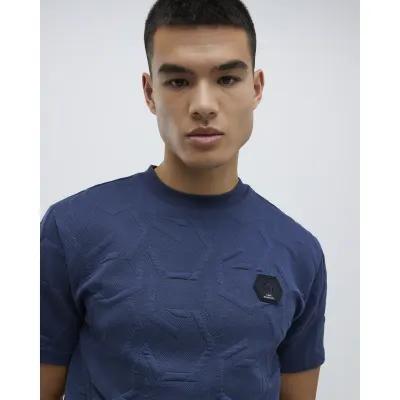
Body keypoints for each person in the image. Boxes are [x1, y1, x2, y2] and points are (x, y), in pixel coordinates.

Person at [40, 0, 328, 399]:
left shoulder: (299, 251)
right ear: (150, 92)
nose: (204, 105)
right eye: (178, 82)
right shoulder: (71, 229)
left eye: (227, 79)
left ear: (256, 88)